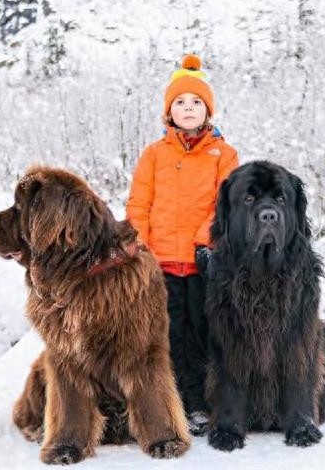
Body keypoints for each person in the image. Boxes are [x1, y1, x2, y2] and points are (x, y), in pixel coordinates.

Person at [126, 54, 239, 435]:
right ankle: (168, 404)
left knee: (203, 333)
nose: (187, 109)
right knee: (166, 336)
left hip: (202, 263)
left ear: (207, 110)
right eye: (180, 102)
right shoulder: (154, 154)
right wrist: (139, 247)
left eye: (195, 103)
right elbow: (139, 204)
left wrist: (204, 241)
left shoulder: (224, 155)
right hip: (159, 265)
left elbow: (228, 204)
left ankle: (202, 403)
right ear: (168, 111)